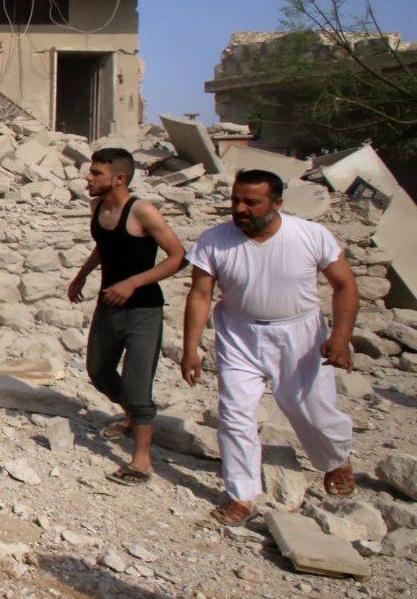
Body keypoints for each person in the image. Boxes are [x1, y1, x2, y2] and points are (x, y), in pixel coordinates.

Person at [182, 169, 358, 526]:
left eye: (251, 202)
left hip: (300, 334)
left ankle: (336, 458)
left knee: (311, 408)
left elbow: (345, 286)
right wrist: (191, 349)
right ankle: (241, 495)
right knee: (235, 414)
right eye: (236, 200)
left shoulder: (310, 235)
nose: (240, 208)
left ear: (276, 204)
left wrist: (340, 337)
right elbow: (200, 295)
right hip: (239, 334)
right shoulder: (214, 241)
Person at [67, 148, 186, 486]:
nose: (88, 178)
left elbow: (178, 256)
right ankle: (134, 415)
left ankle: (141, 459)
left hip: (143, 310)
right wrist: (82, 275)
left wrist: (133, 283)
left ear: (119, 179)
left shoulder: (143, 211)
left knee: (136, 384)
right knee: (99, 371)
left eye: (96, 173)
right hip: (108, 305)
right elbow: (104, 246)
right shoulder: (97, 207)